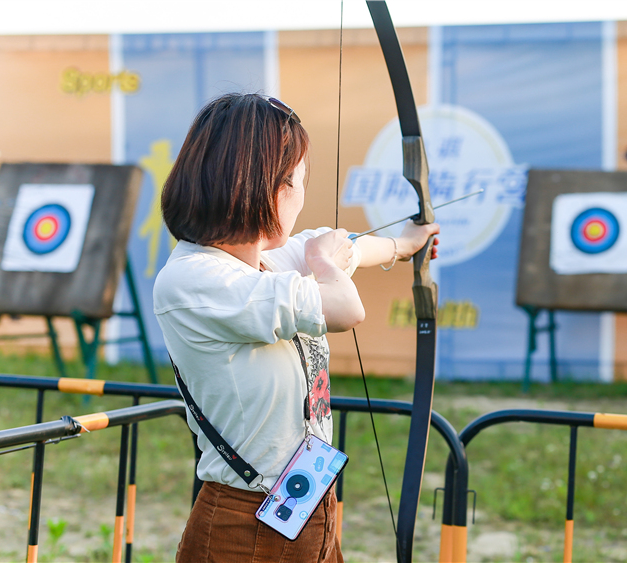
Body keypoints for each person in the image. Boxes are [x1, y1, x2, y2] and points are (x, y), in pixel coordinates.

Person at [153, 92, 439, 563]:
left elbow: (346, 247)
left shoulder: (267, 260)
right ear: (270, 186)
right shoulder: (195, 279)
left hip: (308, 507)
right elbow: (346, 308)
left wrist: (403, 244)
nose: (299, 194)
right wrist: (324, 262)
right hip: (244, 525)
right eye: (297, 179)